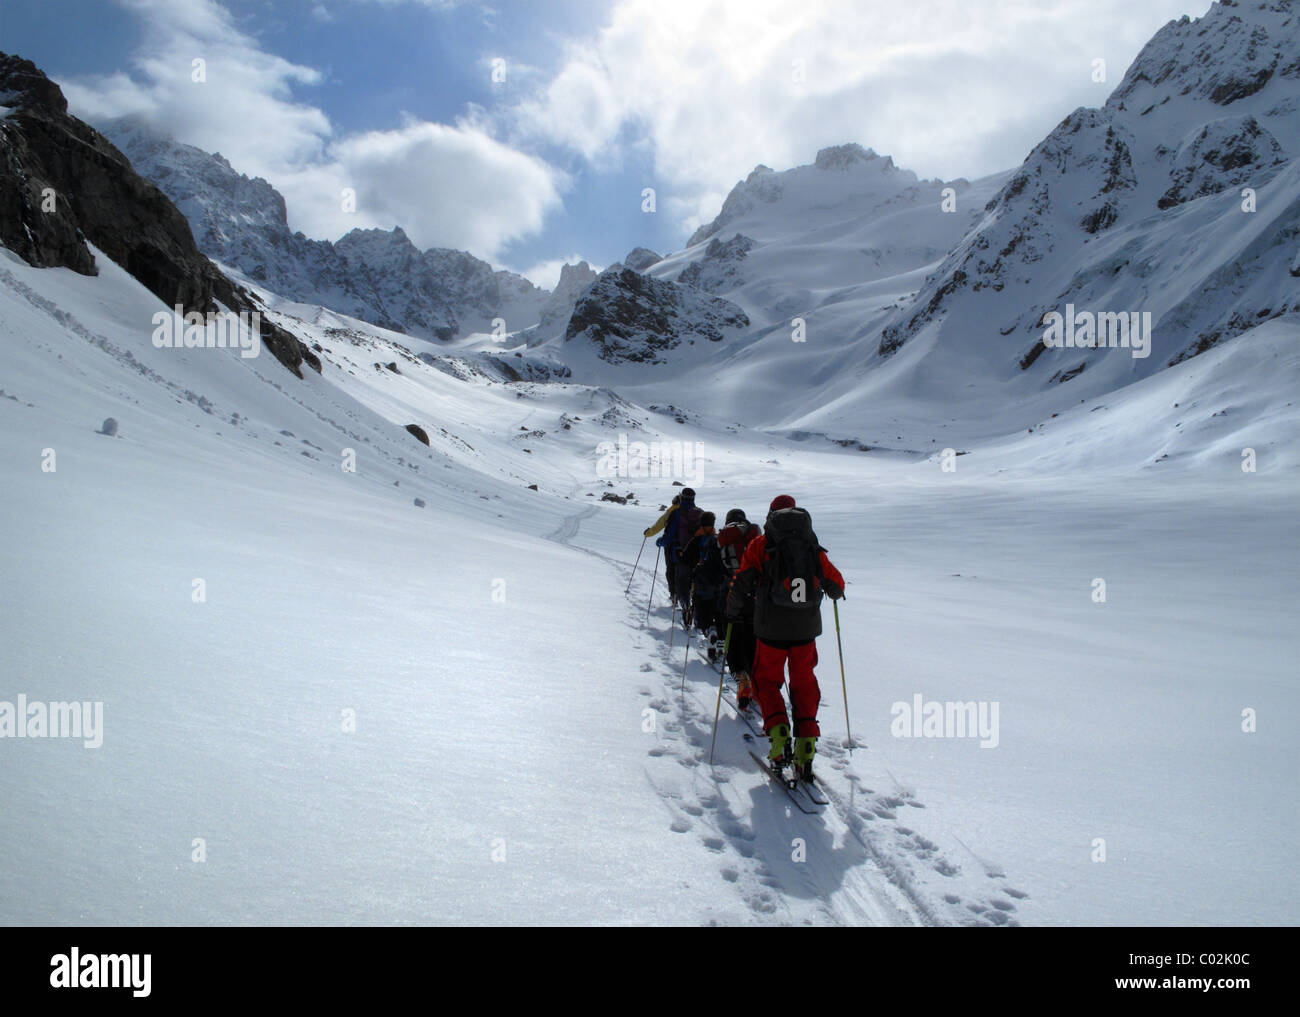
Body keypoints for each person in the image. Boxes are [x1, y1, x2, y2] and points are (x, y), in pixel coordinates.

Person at [726, 495, 844, 781]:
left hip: (770, 629)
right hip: (805, 630)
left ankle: (779, 734)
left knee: (766, 681)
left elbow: (742, 582)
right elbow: (836, 584)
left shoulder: (761, 544)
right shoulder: (811, 546)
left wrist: (732, 610)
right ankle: (806, 744)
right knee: (804, 683)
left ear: (770, 516)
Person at [718, 508, 760, 709]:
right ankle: (756, 681)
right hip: (755, 596)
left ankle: (741, 677)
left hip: (731, 595)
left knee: (733, 640)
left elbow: (713, 569)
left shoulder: (723, 538)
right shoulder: (755, 537)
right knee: (753, 639)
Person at [679, 511, 727, 652]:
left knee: (701, 607)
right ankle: (717, 634)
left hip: (701, 578)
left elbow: (686, 558)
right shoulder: (718, 539)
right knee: (716, 609)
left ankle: (708, 631)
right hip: (719, 580)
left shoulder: (696, 539)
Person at [668, 488, 702, 620]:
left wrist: (661, 542)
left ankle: (685, 606)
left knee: (682, 582)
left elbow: (670, 534)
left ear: (681, 497)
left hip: (681, 553)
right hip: (698, 554)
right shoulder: (700, 513)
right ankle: (696, 610)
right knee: (696, 582)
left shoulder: (676, 513)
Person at [643, 495, 681, 602]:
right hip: (689, 546)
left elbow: (658, 526)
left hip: (671, 546)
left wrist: (648, 533)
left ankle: (674, 594)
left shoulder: (671, 512)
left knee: (671, 570)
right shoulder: (692, 512)